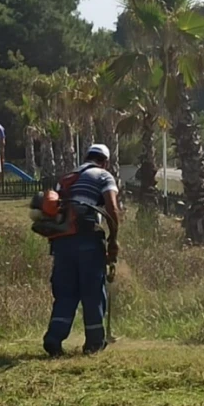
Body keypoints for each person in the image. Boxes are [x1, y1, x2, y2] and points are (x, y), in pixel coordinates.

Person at [42, 144, 120, 357]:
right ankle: (94, 343)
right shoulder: (103, 175)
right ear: (105, 161)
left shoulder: (67, 178)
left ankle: (54, 339)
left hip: (62, 243)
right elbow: (112, 208)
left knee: (66, 293)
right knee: (93, 292)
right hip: (87, 239)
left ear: (86, 158)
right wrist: (113, 240)